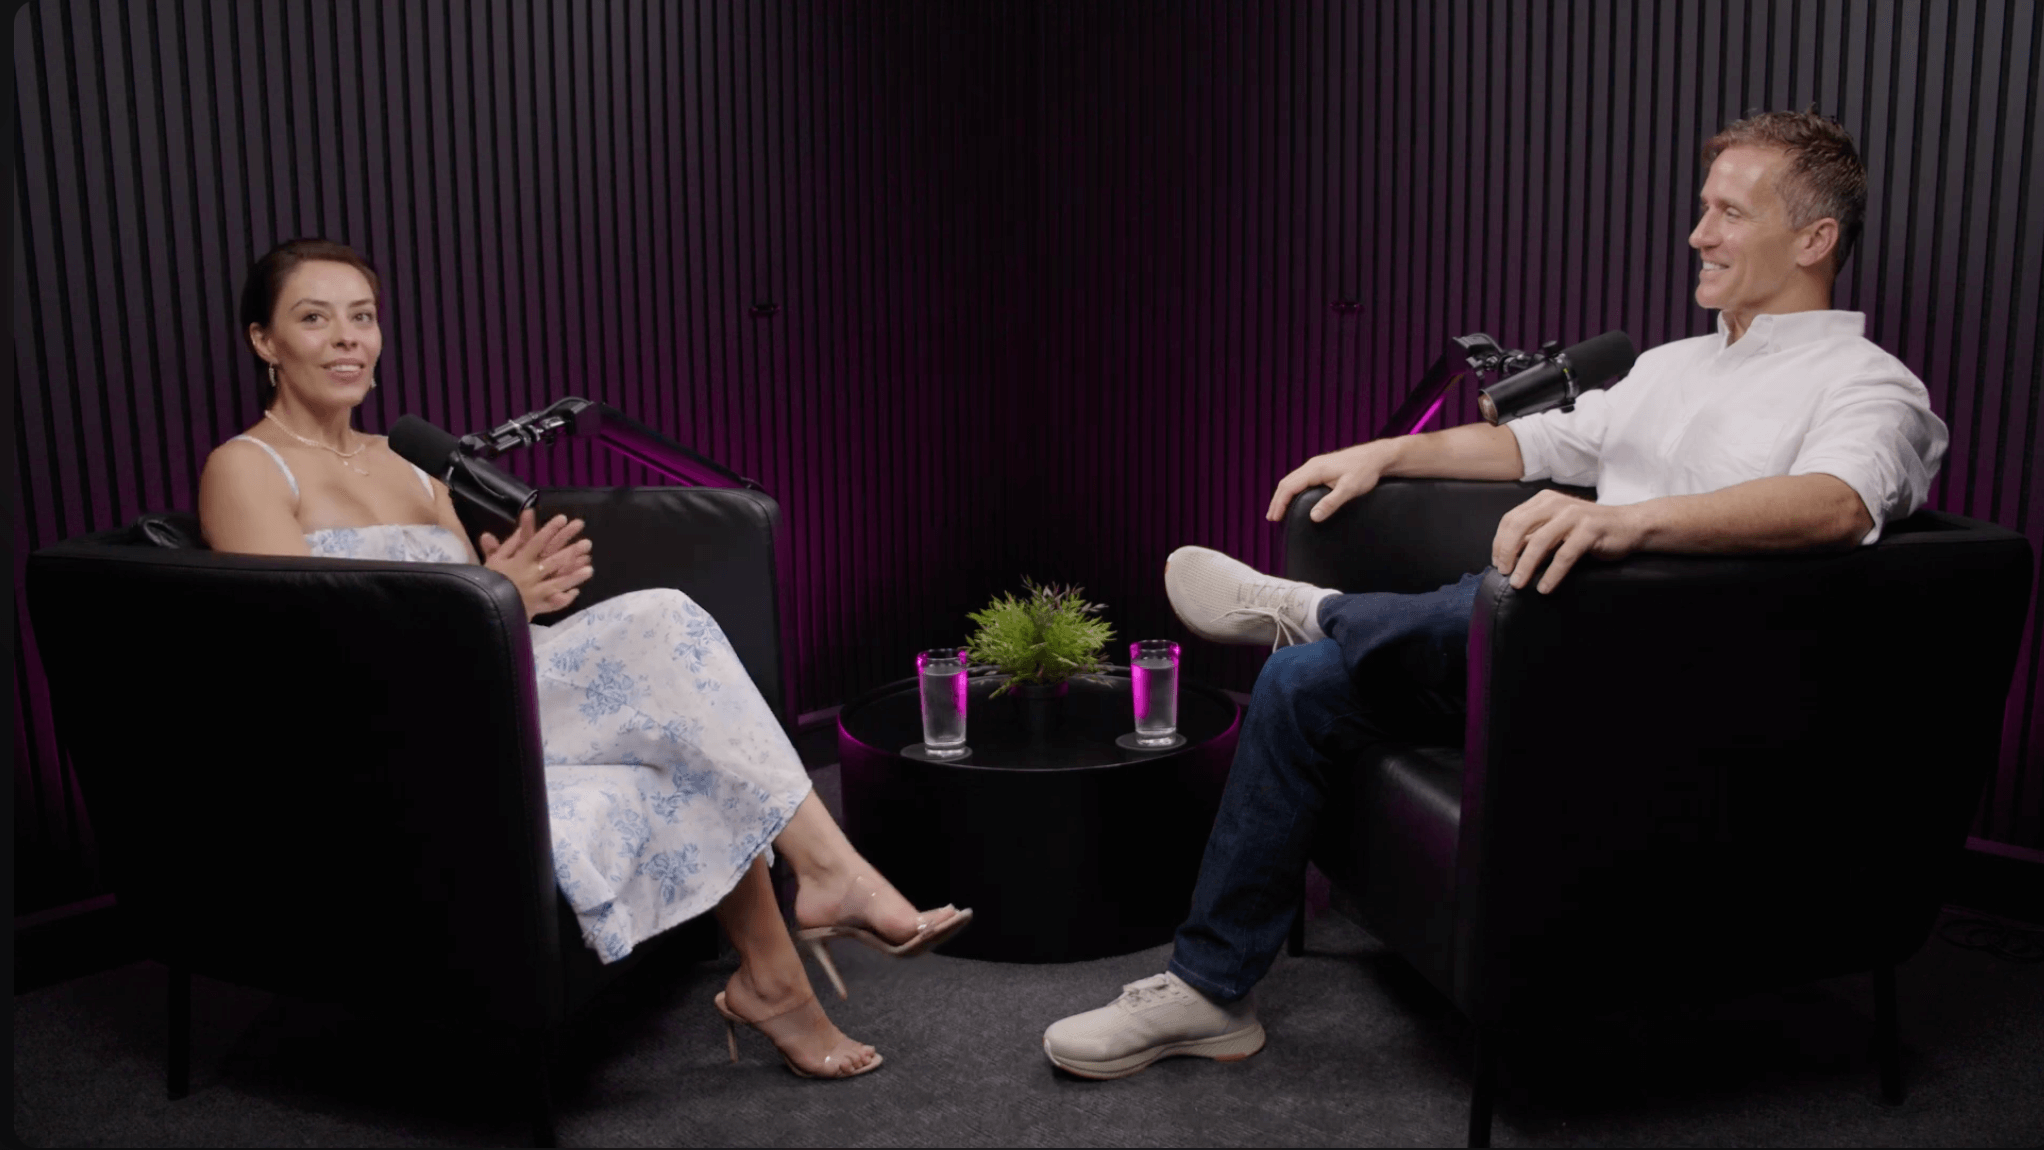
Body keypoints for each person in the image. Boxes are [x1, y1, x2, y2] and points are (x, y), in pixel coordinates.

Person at [1041, 108, 1949, 1079]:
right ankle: (1210, 991)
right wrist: (1384, 453)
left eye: (1730, 213)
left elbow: (1838, 502)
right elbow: (1532, 443)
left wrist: (1626, 524)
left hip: (1694, 713)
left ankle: (1319, 609)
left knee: (1552, 573)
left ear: (1813, 239)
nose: (1699, 234)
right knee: (1302, 684)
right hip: (1557, 674)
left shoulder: (1870, 387)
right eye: (1702, 208)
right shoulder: (1672, 368)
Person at [199, 238, 970, 1080]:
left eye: (363, 317)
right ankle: (827, 874)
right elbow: (309, 649)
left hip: (491, 676)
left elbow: (467, 600)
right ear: (265, 340)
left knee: (684, 721)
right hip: (396, 716)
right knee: (662, 624)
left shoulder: (408, 464)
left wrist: (516, 591)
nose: (349, 338)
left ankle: (777, 982)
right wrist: (497, 597)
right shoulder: (244, 468)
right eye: (315, 318)